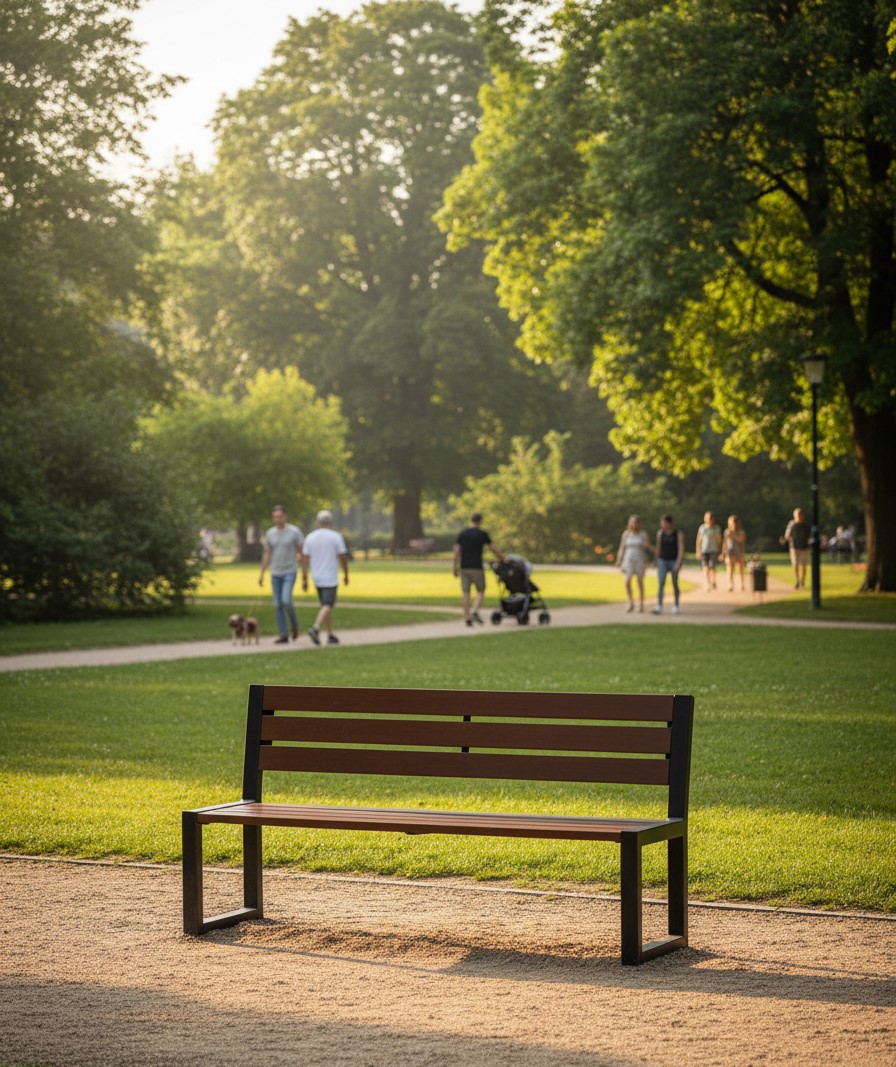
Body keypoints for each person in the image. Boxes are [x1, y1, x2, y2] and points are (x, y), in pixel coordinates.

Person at [301, 510, 349, 645]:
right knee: (328, 604)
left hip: (316, 576)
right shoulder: (336, 537)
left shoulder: (310, 537)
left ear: (318, 522)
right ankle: (315, 628)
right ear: (331, 522)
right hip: (330, 577)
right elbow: (342, 557)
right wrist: (345, 574)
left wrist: (304, 577)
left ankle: (330, 634)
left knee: (324, 605)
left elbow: (305, 559)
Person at [258, 505, 303, 644]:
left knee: (286, 600)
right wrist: (262, 573)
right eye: (275, 517)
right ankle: (283, 634)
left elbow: (302, 550)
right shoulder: (270, 533)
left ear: (285, 516)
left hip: (290, 571)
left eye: (280, 516)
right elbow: (267, 553)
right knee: (277, 604)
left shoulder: (294, 532)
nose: (277, 519)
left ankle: (294, 625)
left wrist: (305, 570)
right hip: (275, 572)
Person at [453, 512, 505, 627]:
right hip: (476, 567)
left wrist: (455, 567)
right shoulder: (482, 534)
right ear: (480, 521)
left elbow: (456, 551)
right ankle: (475, 610)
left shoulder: (463, 534)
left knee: (465, 592)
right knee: (480, 590)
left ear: (470, 520)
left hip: (464, 567)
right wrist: (503, 559)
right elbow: (493, 548)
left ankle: (467, 618)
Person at [616, 514, 651, 613]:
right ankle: (631, 602)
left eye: (636, 522)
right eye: (632, 522)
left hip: (639, 559)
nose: (634, 524)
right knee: (627, 581)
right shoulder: (626, 534)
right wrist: (619, 559)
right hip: (628, 559)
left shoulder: (643, 534)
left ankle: (641, 604)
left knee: (640, 582)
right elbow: (622, 547)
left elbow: (646, 547)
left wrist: (645, 545)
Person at [652, 515, 684, 615]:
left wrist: (678, 562)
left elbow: (680, 548)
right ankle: (659, 605)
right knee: (661, 582)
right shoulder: (660, 533)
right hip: (662, 560)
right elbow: (658, 547)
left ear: (669, 523)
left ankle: (676, 605)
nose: (662, 524)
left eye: (663, 522)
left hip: (673, 560)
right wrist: (656, 560)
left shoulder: (677, 534)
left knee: (675, 583)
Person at [782, 507, 811, 588]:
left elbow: (808, 536)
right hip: (794, 547)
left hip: (804, 547)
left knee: (803, 565)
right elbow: (787, 535)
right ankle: (797, 580)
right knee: (795, 564)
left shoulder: (806, 526)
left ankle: (802, 581)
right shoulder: (792, 525)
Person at [695, 512, 722, 591]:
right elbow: (699, 540)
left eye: (710, 518)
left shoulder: (717, 528)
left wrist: (720, 551)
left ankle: (713, 580)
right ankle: (707, 583)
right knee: (705, 567)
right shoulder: (702, 528)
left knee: (712, 567)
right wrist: (698, 550)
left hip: (713, 550)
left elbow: (719, 540)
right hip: (704, 550)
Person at [723, 515, 747, 592]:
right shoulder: (726, 532)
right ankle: (730, 584)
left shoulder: (741, 531)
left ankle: (742, 584)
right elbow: (725, 543)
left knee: (741, 569)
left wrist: (733, 535)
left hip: (739, 552)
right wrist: (723, 552)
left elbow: (741, 539)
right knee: (730, 569)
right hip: (730, 552)